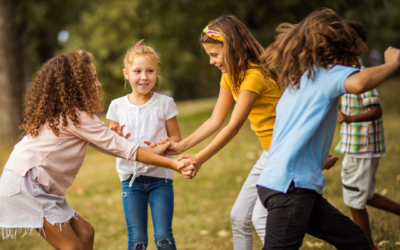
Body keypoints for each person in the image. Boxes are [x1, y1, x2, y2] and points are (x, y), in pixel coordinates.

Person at [0, 50, 194, 250]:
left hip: (35, 182)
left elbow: (118, 148)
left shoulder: (71, 115)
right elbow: (126, 150)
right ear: (76, 84)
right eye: (92, 78)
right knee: (71, 247)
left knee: (85, 233)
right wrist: (173, 164)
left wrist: (150, 149)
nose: (98, 84)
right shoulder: (77, 117)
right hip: (26, 183)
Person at [256, 8, 400, 249]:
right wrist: (392, 64)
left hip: (285, 184)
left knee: (356, 241)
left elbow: (281, 139)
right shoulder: (328, 74)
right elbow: (360, 82)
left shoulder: (299, 79)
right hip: (291, 189)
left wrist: (315, 161)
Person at [164, 14, 280, 249]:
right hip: (271, 154)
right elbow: (215, 119)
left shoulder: (253, 75)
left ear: (233, 48)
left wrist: (199, 158)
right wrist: (180, 146)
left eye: (214, 55)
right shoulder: (231, 76)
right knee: (239, 217)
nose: (211, 61)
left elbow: (233, 125)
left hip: (282, 154)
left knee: (261, 218)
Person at [106, 40, 181, 250]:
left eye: (150, 71)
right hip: (131, 182)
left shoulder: (165, 103)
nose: (144, 77)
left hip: (161, 180)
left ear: (156, 72)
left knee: (164, 237)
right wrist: (117, 139)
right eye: (137, 71)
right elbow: (112, 146)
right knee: (137, 241)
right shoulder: (116, 106)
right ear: (126, 73)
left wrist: (166, 143)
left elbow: (176, 138)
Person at [335, 20, 400, 250]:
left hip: (361, 148)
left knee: (354, 200)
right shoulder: (344, 74)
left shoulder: (363, 75)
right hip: (357, 146)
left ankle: (368, 247)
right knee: (367, 195)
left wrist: (349, 118)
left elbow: (377, 110)